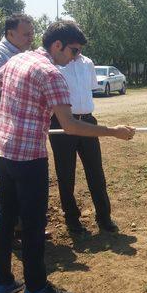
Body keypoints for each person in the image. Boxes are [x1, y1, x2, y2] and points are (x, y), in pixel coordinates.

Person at [0, 20, 135, 293]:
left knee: (5, 218)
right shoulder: (52, 74)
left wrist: (4, 119)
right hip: (28, 158)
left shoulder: (18, 60)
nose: (75, 58)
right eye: (73, 51)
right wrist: (113, 132)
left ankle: (3, 284)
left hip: (3, 150)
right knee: (34, 224)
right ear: (57, 45)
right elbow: (70, 126)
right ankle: (36, 289)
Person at [0, 13, 38, 247]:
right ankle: (10, 230)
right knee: (7, 180)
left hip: (25, 125)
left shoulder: (24, 54)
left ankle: (24, 226)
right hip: (9, 126)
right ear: (10, 34)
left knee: (25, 178)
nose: (30, 38)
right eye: (26, 34)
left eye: (32, 34)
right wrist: (2, 116)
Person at [49, 54, 118, 235]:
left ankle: (104, 217)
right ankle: (72, 219)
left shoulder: (87, 63)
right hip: (62, 123)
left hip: (87, 121)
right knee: (65, 173)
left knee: (96, 171)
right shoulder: (55, 63)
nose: (78, 49)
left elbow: (89, 90)